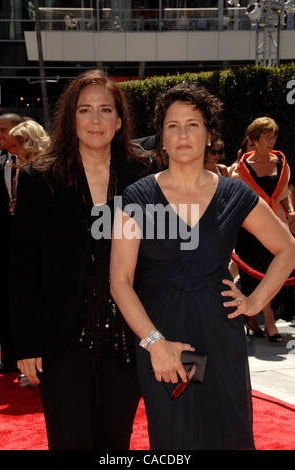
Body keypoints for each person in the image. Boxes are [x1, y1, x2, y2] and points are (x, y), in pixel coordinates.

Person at [109, 83, 295, 450]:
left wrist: (255, 302)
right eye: (172, 125)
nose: (182, 134)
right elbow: (120, 281)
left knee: (226, 431)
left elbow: (287, 248)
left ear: (210, 134)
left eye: (192, 124)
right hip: (163, 335)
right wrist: (154, 343)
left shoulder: (234, 193)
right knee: (176, 436)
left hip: (218, 330)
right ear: (160, 136)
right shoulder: (138, 197)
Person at [9, 70, 154, 450]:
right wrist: (25, 343)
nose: (95, 120)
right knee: (69, 438)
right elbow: (23, 268)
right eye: (85, 110)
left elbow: (156, 258)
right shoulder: (39, 178)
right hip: (62, 337)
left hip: (126, 334)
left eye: (105, 110)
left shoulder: (142, 175)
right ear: (70, 118)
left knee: (115, 439)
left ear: (119, 120)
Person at [231, 117, 295, 340]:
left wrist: (291, 211)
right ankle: (269, 322)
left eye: (274, 136)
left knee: (281, 272)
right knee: (260, 273)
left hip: (277, 225)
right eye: (267, 136)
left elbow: (285, 193)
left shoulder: (281, 163)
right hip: (251, 228)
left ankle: (254, 318)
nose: (272, 140)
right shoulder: (240, 170)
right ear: (255, 140)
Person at [0, 112, 23, 374]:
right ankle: (10, 353)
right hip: (4, 246)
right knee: (4, 298)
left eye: (3, 130)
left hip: (31, 244)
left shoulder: (39, 165)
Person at [7, 120, 51, 216]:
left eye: (15, 145)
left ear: (28, 145)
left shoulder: (29, 172)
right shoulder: (56, 166)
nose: (13, 151)